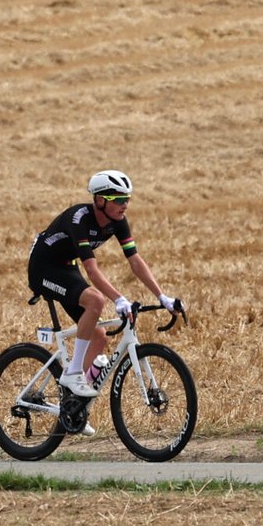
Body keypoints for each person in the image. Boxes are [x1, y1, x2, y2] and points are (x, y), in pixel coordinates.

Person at [27, 171, 182, 415]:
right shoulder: (80, 219)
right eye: (119, 200)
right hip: (44, 267)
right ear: (100, 200)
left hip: (67, 266)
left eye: (127, 199)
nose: (125, 205)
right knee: (96, 300)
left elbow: (135, 260)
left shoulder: (118, 221)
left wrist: (162, 297)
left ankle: (72, 406)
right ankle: (74, 374)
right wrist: (118, 299)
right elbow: (91, 268)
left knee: (99, 337)